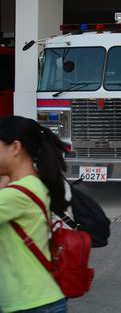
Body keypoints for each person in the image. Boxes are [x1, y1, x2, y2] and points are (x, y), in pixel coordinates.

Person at [0, 116, 69, 313]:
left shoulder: (16, 195)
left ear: (15, 147)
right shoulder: (34, 183)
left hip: (31, 304)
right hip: (42, 299)